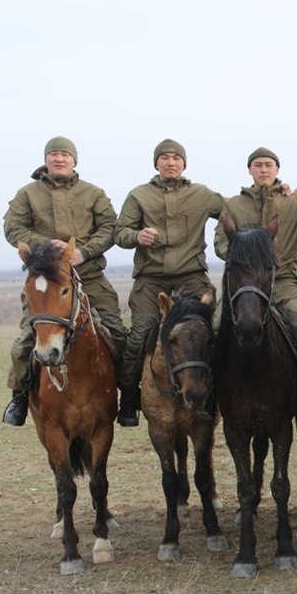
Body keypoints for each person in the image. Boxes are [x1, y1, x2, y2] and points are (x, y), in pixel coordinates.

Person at [2, 136, 127, 426]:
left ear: (74, 161)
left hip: (90, 275)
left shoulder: (93, 193)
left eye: (65, 155)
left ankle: (129, 395)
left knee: (119, 334)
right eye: (54, 154)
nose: (59, 159)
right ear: (46, 159)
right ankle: (20, 397)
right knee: (23, 342)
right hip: (46, 280)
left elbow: (110, 227)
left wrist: (83, 252)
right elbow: (13, 227)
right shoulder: (28, 194)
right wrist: (47, 246)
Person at [114, 139, 224, 426]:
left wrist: (274, 194)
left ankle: (218, 392)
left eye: (176, 158)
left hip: (191, 277)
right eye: (164, 158)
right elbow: (120, 232)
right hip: (151, 280)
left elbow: (233, 211)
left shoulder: (201, 194)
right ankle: (129, 397)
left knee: (212, 331)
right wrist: (136, 236)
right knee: (138, 336)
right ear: (156, 164)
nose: (171, 162)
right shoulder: (139, 195)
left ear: (184, 164)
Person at [213, 147, 297, 410]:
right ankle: (211, 385)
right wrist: (241, 253)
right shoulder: (233, 205)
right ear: (249, 170)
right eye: (257, 165)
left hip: (285, 279)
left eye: (268, 165)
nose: (263, 169)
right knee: (216, 326)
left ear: (277, 169)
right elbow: (220, 243)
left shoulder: (293, 203)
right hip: (244, 284)